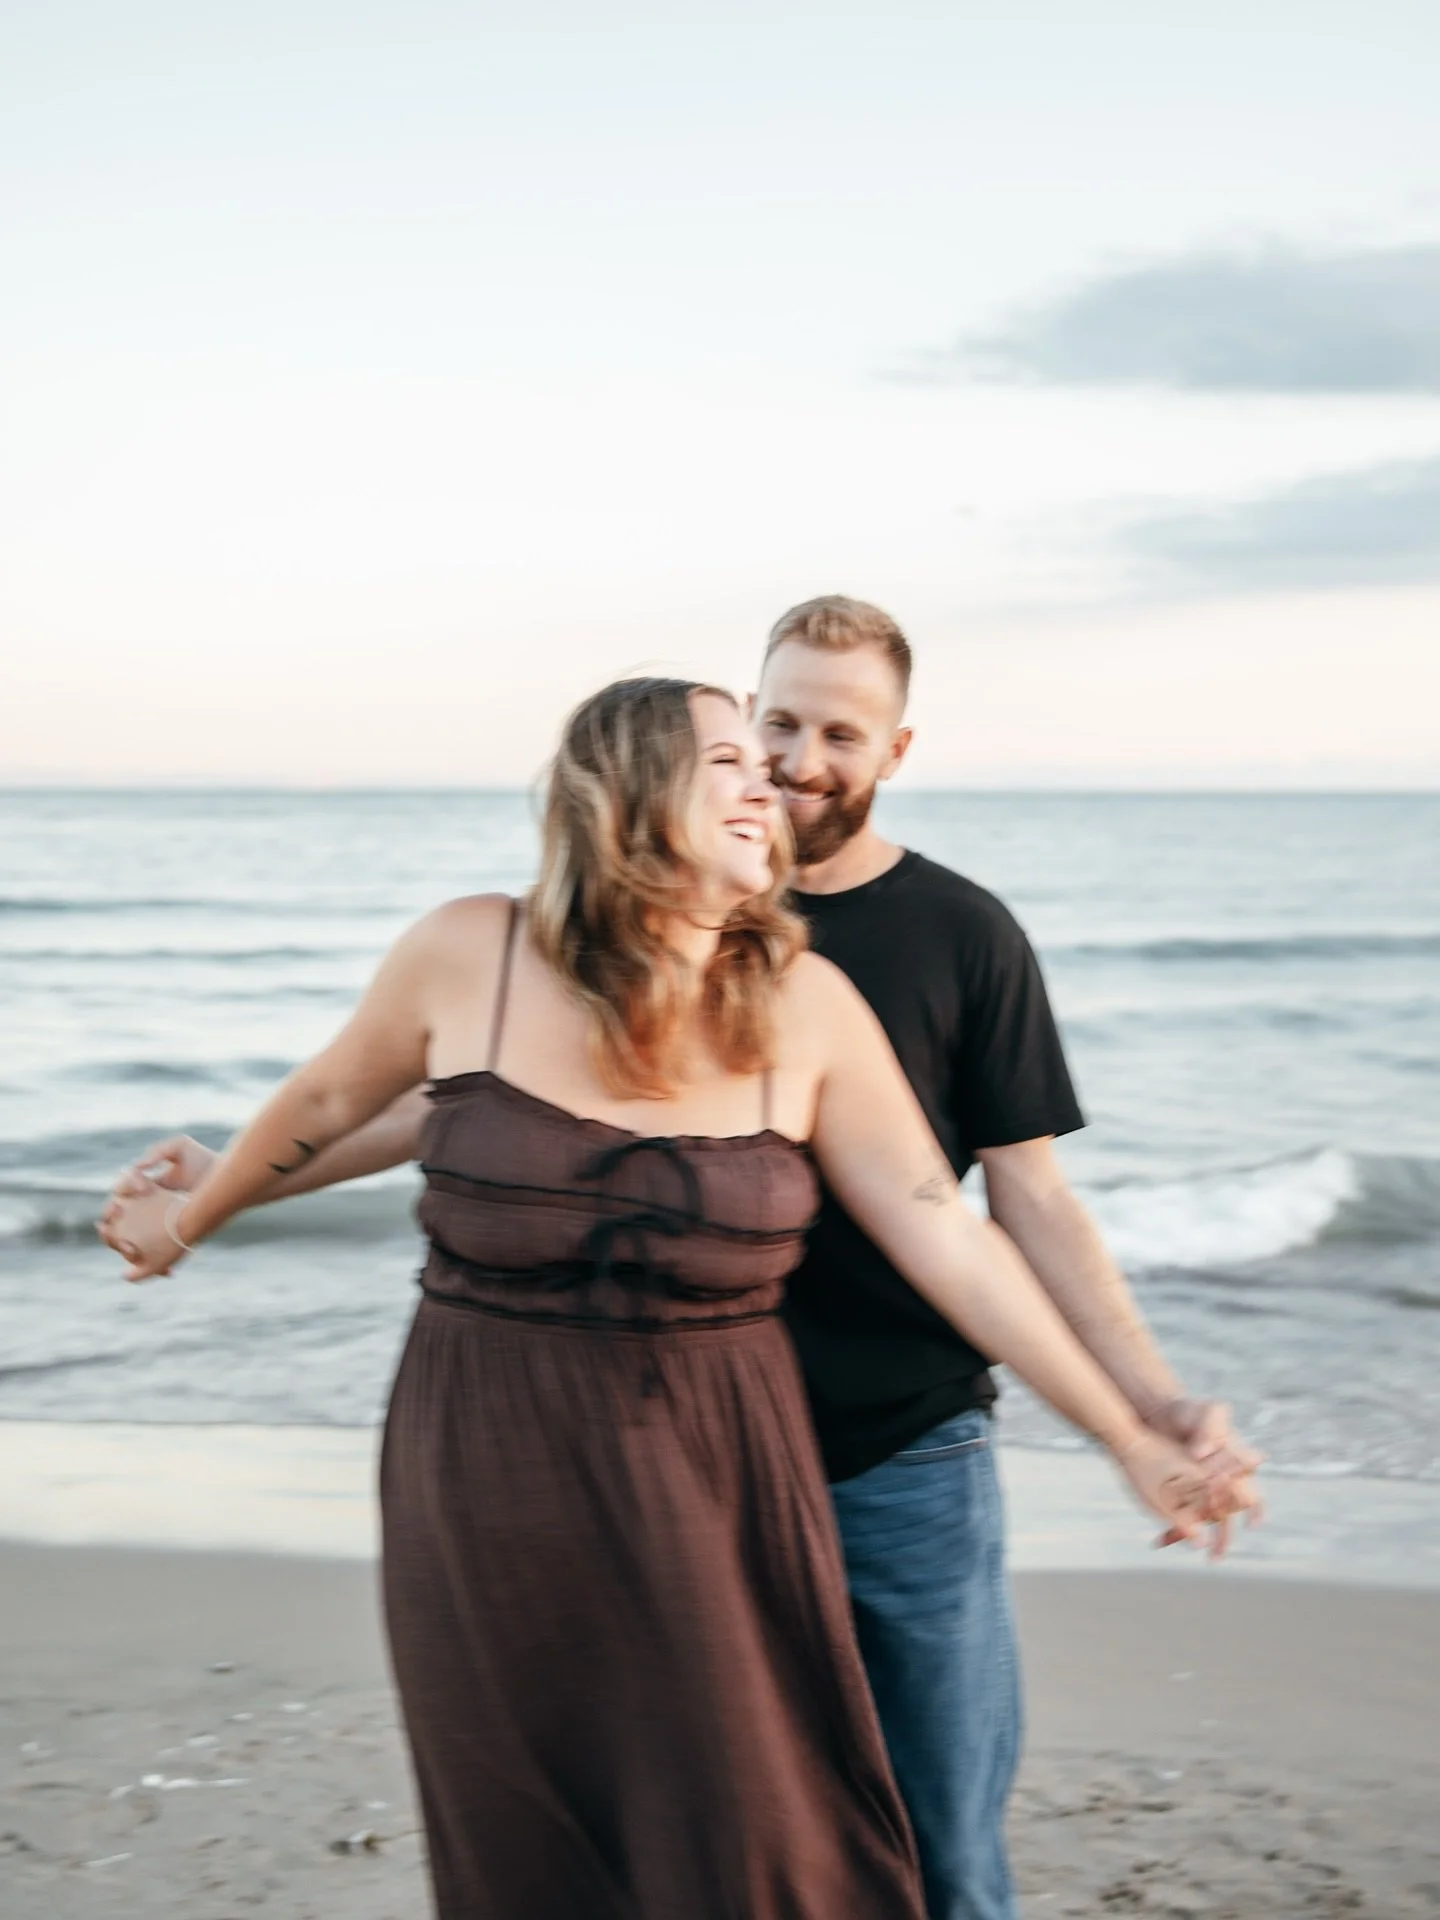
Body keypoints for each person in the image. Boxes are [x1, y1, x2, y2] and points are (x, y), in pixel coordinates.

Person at [101, 676, 1243, 1920]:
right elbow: (328, 1105)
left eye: (771, 762)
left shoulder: (806, 1007)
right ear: (628, 788)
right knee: (533, 1831)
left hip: (713, 1469)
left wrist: (1128, 1432)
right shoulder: (468, 952)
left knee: (760, 1830)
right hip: (486, 1464)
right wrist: (187, 1220)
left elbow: (947, 1239)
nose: (768, 784)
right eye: (729, 760)